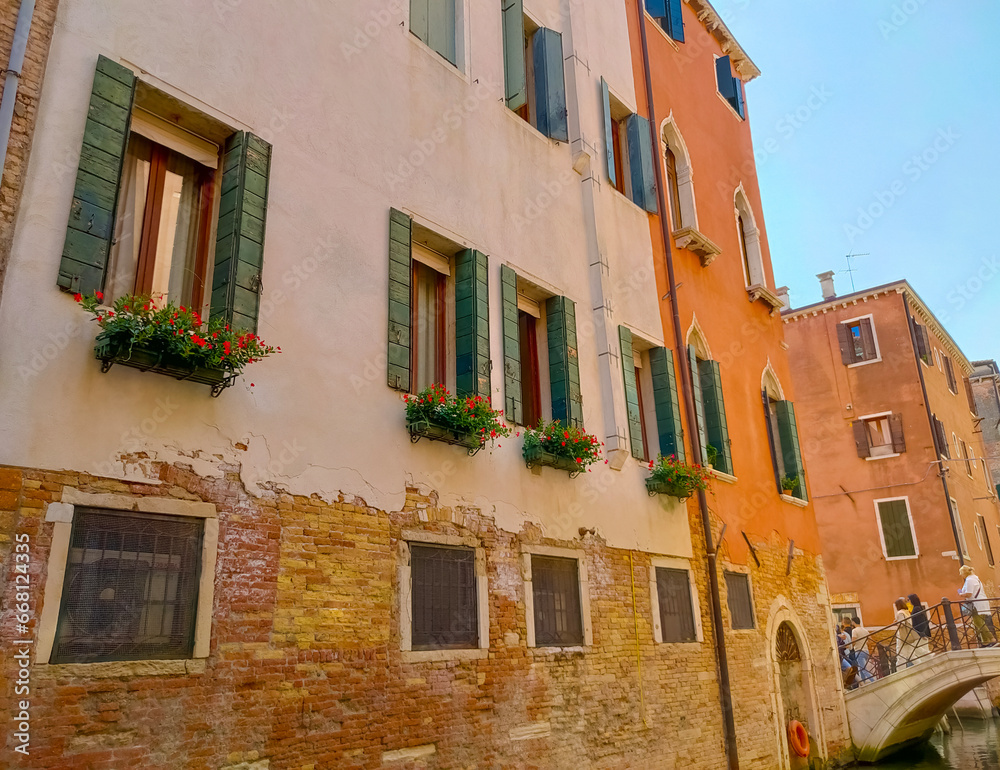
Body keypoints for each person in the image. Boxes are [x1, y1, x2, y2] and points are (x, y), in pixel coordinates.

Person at [958, 565, 996, 647]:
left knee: (978, 622)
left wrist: (961, 594)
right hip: (981, 602)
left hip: (976, 604)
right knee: (980, 622)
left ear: (964, 573)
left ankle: (991, 639)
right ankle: (985, 641)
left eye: (961, 573)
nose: (960, 575)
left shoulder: (970, 580)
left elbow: (969, 594)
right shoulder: (975, 579)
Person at [849, 616, 875, 683]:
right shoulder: (865, 630)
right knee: (861, 668)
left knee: (863, 669)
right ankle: (863, 682)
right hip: (866, 651)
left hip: (859, 650)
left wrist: (851, 647)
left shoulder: (854, 630)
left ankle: (873, 680)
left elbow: (853, 641)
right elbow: (870, 640)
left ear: (853, 622)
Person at [894, 597, 918, 668]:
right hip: (909, 634)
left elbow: (902, 624)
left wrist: (896, 623)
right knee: (912, 655)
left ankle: (900, 674)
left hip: (902, 636)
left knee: (901, 655)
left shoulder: (900, 613)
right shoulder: (907, 612)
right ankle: (921, 667)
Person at [908, 593, 933, 660]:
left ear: (912, 600)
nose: (908, 601)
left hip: (920, 634)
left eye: (908, 600)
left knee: (920, 650)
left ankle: (930, 656)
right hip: (920, 633)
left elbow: (921, 622)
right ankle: (929, 658)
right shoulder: (918, 608)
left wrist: (923, 634)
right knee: (921, 650)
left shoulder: (917, 609)